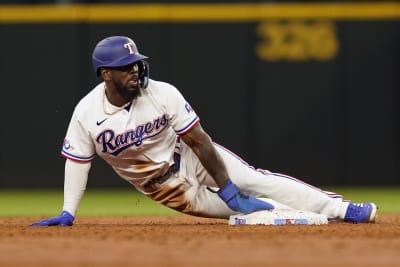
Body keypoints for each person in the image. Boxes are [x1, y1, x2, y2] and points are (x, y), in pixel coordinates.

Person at [30, 36, 377, 227]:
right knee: (254, 212)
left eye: (137, 63)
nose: (135, 70)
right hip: (166, 190)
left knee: (257, 180)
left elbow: (199, 140)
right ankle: (315, 218)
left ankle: (344, 210)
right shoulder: (86, 114)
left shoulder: (162, 92)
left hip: (192, 158)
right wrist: (68, 211)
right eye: (125, 67)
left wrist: (227, 186)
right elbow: (78, 162)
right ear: (106, 74)